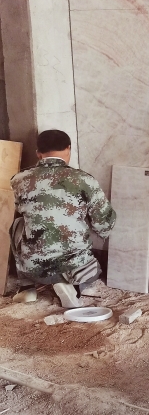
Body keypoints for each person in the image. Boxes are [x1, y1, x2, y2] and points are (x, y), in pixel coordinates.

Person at [10, 129, 116, 308]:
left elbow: (21, 209)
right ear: (68, 149)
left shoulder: (19, 180)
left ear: (38, 153)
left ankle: (27, 286)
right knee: (87, 257)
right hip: (75, 265)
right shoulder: (84, 180)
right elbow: (104, 223)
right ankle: (73, 283)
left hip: (34, 268)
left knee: (18, 223)